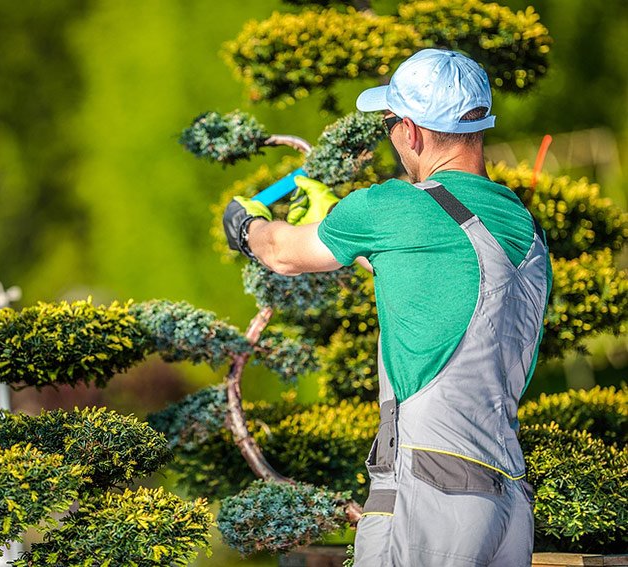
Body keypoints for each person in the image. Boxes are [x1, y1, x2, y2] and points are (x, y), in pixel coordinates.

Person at [222, 49, 552, 567]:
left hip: (429, 495)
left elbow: (281, 253)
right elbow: (435, 270)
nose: (391, 136)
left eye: (390, 123)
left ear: (412, 132)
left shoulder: (392, 206)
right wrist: (339, 223)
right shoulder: (523, 224)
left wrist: (246, 225)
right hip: (506, 502)